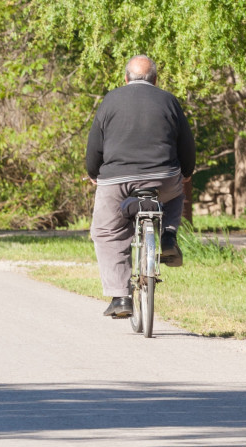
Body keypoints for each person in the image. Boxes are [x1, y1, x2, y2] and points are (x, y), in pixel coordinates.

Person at [85, 55, 195, 319]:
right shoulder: (168, 100)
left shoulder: (110, 99)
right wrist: (187, 173)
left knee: (106, 231)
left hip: (116, 180)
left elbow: (94, 147)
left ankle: (121, 297)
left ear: (126, 79)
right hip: (163, 177)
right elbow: (186, 144)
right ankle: (168, 234)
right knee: (175, 192)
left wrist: (93, 173)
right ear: (155, 80)